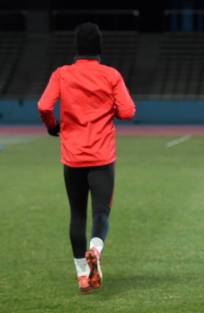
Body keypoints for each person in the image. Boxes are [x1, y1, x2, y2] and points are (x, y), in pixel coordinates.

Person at [37, 22, 136, 293]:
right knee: (101, 212)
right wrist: (108, 109)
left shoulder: (62, 74)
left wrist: (52, 126)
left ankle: (82, 274)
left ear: (76, 47)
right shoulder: (110, 75)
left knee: (77, 214)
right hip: (102, 156)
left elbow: (44, 105)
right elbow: (128, 111)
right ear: (100, 47)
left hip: (73, 157)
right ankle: (96, 248)